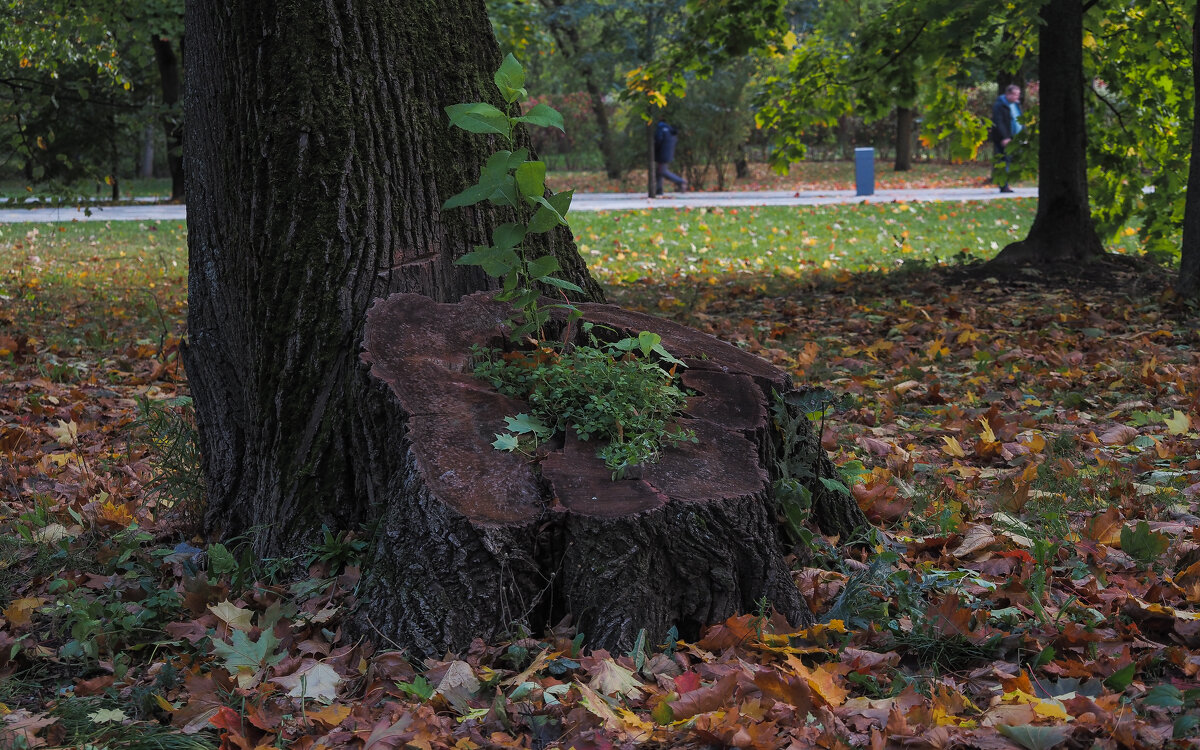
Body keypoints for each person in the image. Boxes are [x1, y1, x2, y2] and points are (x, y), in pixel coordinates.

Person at [990, 84, 1022, 193]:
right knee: (1004, 160)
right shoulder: (1000, 105)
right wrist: (1005, 137)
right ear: (1008, 94)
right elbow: (999, 122)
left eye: (1018, 94)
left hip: (1014, 137)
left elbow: (1018, 119)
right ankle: (1003, 185)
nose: (1017, 97)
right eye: (1015, 95)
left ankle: (1006, 183)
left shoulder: (1016, 104)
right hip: (1004, 138)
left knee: (1010, 160)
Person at [654, 120, 687, 195]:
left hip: (661, 153)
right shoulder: (670, 130)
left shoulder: (661, 129)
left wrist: (654, 149)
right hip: (668, 152)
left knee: (662, 171)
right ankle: (659, 190)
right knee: (659, 172)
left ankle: (681, 181)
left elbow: (658, 140)